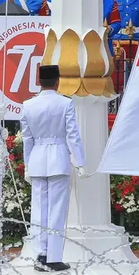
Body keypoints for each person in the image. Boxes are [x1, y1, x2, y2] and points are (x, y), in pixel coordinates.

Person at [21, 65, 86, 272]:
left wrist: (27, 165)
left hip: (38, 159)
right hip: (58, 159)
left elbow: (27, 140)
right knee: (57, 211)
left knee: (39, 211)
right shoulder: (65, 103)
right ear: (57, 81)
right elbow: (73, 135)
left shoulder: (28, 105)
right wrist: (80, 161)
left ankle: (40, 254)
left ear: (39, 82)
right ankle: (53, 257)